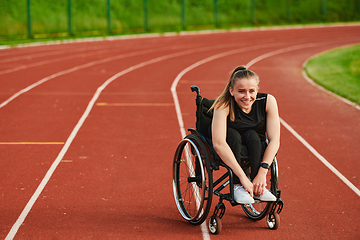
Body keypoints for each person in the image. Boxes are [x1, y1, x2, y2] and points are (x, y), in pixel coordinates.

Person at [210, 65, 280, 204]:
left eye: (251, 91)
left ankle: (258, 187)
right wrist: (242, 177)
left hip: (250, 140)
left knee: (254, 136)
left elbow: (275, 140)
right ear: (231, 91)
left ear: (257, 90)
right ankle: (236, 186)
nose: (247, 97)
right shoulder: (223, 105)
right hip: (228, 140)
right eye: (241, 91)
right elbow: (218, 143)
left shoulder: (268, 101)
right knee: (234, 136)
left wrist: (262, 173)